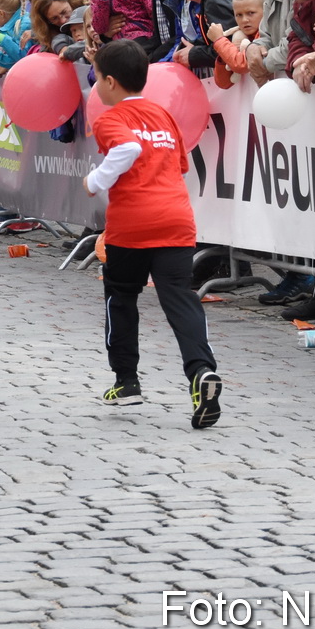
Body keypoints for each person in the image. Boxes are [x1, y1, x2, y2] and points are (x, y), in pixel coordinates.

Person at [81, 38, 222, 428]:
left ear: (109, 82)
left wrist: (95, 180)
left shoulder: (110, 118)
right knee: (181, 300)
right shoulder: (163, 115)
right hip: (176, 218)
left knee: (121, 297)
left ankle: (126, 381)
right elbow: (178, 167)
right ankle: (201, 372)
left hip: (132, 224)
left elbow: (125, 151)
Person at [206, 0, 265, 90]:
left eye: (251, 13)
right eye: (239, 15)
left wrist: (219, 41)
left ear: (265, 10)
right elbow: (223, 83)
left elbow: (240, 65)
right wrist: (224, 55)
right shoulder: (238, 37)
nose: (244, 20)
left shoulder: (265, 35)